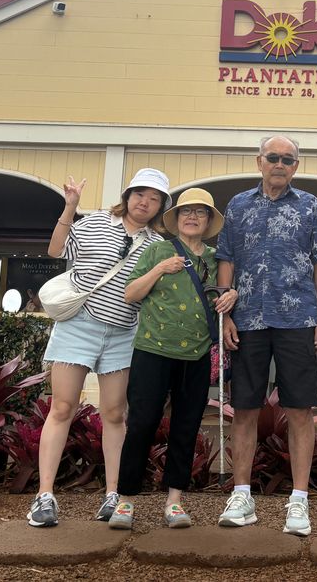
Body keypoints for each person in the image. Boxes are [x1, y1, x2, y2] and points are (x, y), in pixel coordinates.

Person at [27, 168, 170, 528]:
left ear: (160, 207)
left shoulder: (157, 245)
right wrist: (70, 207)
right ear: (128, 196)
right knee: (62, 407)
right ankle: (44, 496)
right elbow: (56, 249)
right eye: (140, 194)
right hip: (79, 325)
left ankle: (113, 494)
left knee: (115, 414)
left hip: (123, 332)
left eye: (154, 198)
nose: (145, 202)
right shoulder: (95, 222)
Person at [215, 134, 317, 536]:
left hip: (297, 319)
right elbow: (226, 260)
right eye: (273, 157)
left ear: (296, 166)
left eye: (288, 159)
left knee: (300, 410)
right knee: (244, 409)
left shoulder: (310, 205)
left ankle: (298, 501)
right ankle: (242, 496)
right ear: (259, 161)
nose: (280, 164)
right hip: (247, 320)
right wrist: (225, 316)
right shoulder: (237, 205)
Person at [108, 188, 238, 530]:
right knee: (141, 424)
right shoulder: (158, 250)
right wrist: (160, 270)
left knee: (186, 426)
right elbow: (130, 293)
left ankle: (174, 502)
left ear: (208, 221)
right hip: (152, 350)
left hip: (196, 354)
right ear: (177, 218)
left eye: (200, 212)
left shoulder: (216, 259)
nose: (192, 217)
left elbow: (225, 293)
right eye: (186, 212)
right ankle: (125, 500)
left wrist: (232, 295)